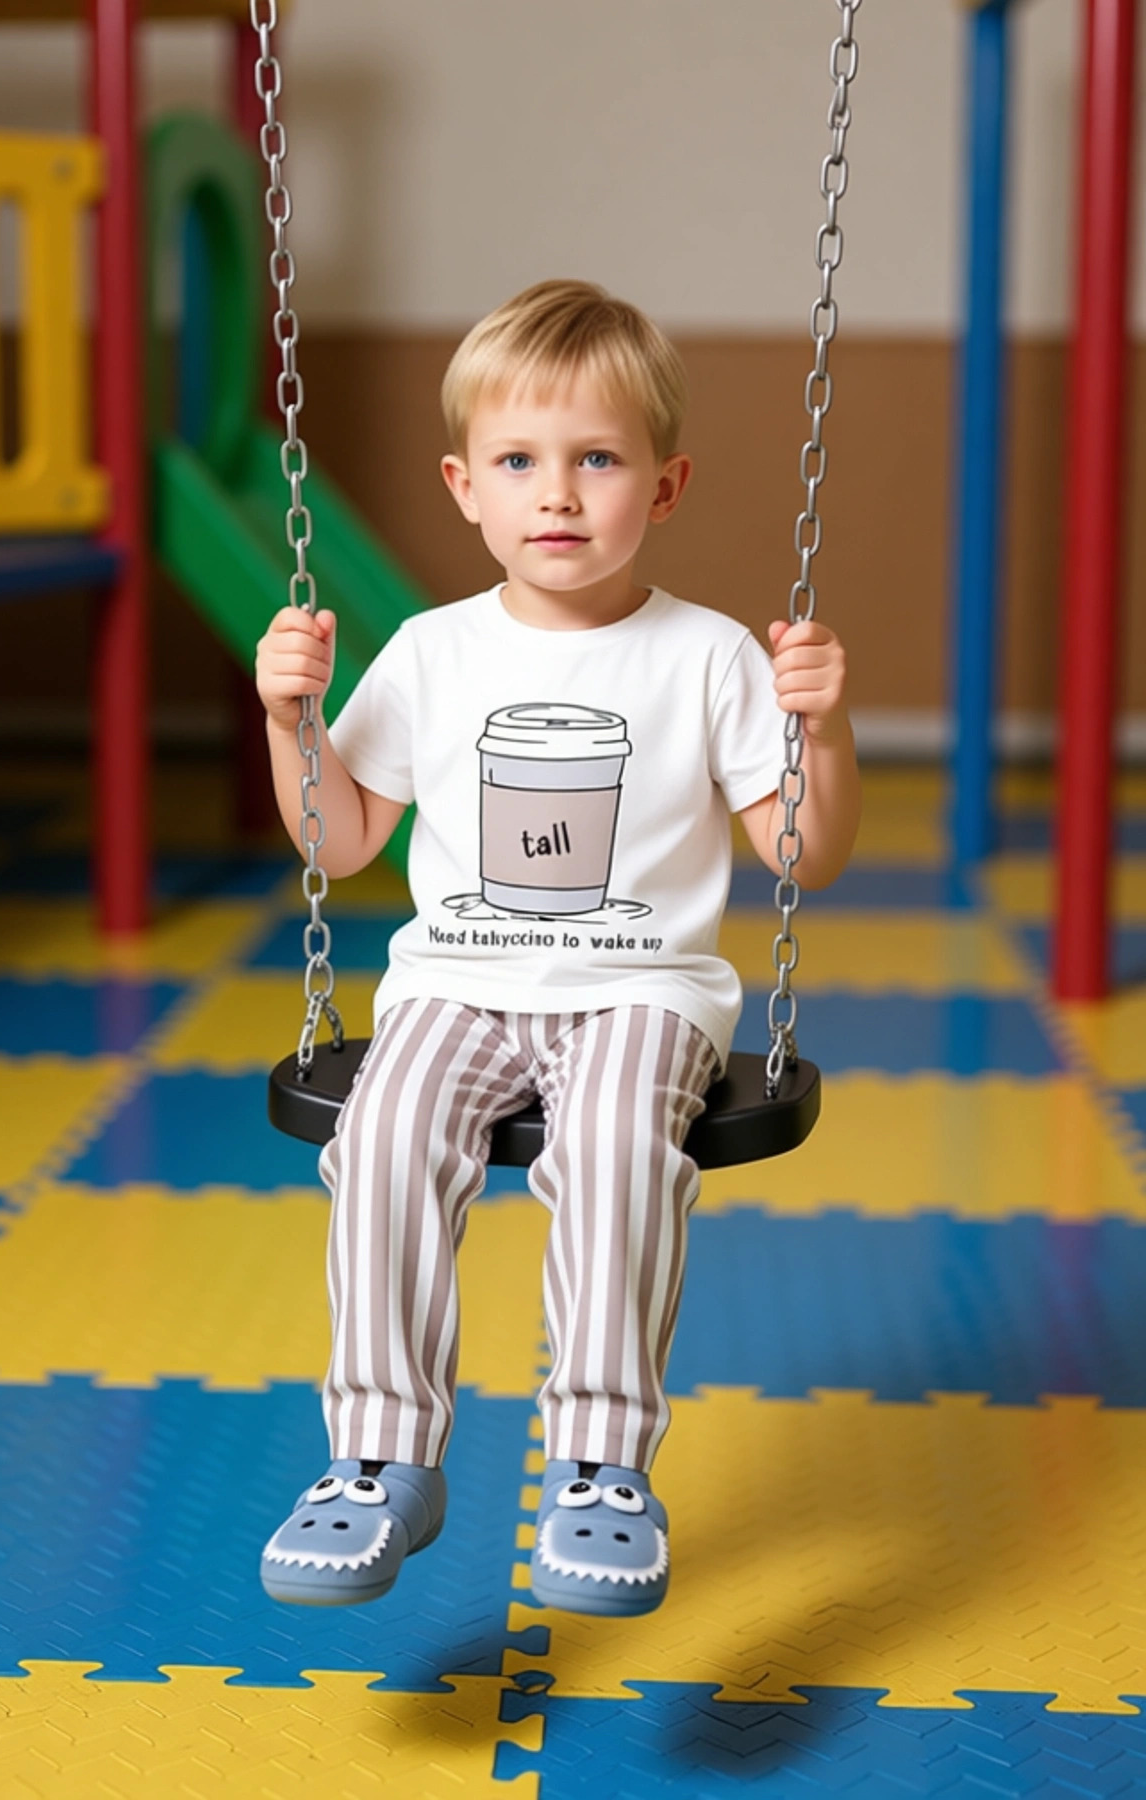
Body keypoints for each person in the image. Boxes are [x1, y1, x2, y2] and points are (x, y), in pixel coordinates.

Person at [254, 279, 860, 1617]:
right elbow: (342, 839)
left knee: (614, 1153)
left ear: (666, 484)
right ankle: (381, 1458)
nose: (560, 496)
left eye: (598, 460)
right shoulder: (431, 652)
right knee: (385, 1136)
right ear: (466, 486)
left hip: (643, 995)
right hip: (455, 986)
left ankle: (598, 1468)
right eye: (521, 462)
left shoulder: (707, 658)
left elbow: (801, 854)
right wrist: (294, 722)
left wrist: (823, 732)